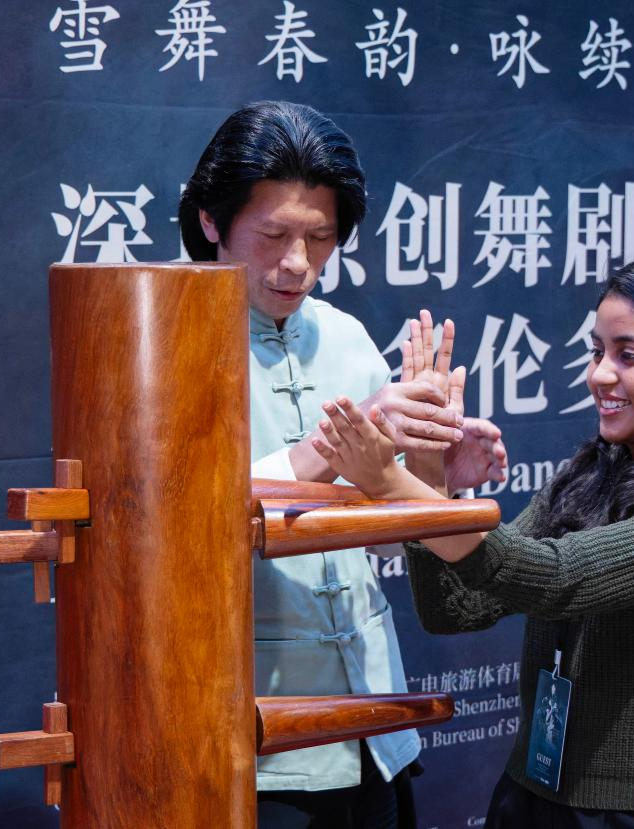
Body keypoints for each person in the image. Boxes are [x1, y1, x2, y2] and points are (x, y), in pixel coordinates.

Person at [310, 255, 634, 828]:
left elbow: (555, 577)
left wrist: (390, 481)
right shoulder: (590, 473)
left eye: (629, 356)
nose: (601, 374)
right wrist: (429, 474)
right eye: (597, 351)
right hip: (534, 792)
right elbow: (455, 608)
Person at [178, 100, 507, 829]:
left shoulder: (349, 338)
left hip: (373, 724)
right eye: (273, 235)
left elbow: (386, 542)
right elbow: (180, 523)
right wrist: (347, 438)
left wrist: (437, 468)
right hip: (247, 735)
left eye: (321, 238)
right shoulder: (162, 332)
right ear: (210, 220)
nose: (298, 262)